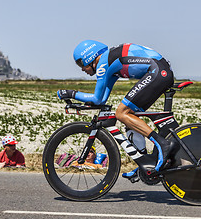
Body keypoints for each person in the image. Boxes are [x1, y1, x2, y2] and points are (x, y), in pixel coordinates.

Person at [57, 40, 179, 180]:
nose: (82, 69)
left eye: (81, 63)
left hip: (157, 71)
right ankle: (146, 162)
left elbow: (96, 98)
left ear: (89, 57)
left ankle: (162, 143)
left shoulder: (103, 63)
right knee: (130, 118)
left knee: (121, 113)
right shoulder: (110, 64)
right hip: (159, 71)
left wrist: (71, 94)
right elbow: (101, 100)